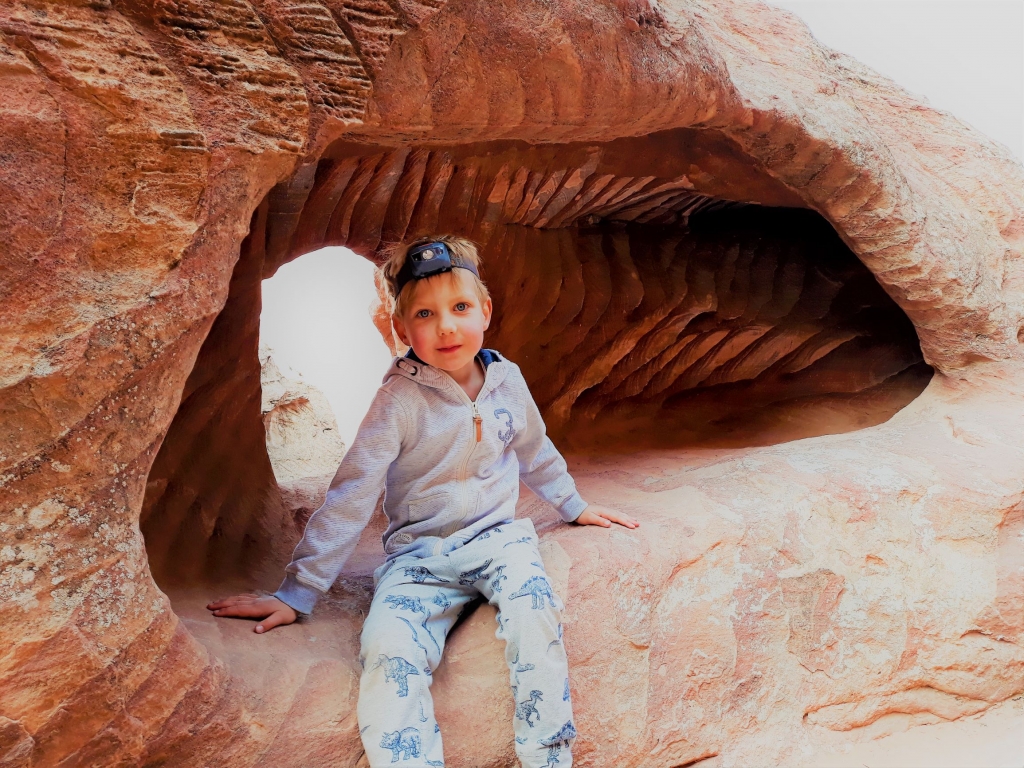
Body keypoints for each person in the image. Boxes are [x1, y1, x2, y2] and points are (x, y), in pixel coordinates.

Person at [207, 235, 639, 768]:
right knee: (387, 650)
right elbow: (352, 491)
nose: (446, 327)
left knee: (535, 610)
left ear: (485, 310)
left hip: (499, 543)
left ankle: (547, 756)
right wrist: (298, 592)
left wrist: (574, 506)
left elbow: (534, 449)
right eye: (425, 314)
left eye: (460, 308)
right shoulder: (399, 400)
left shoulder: (506, 381)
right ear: (400, 329)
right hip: (419, 561)